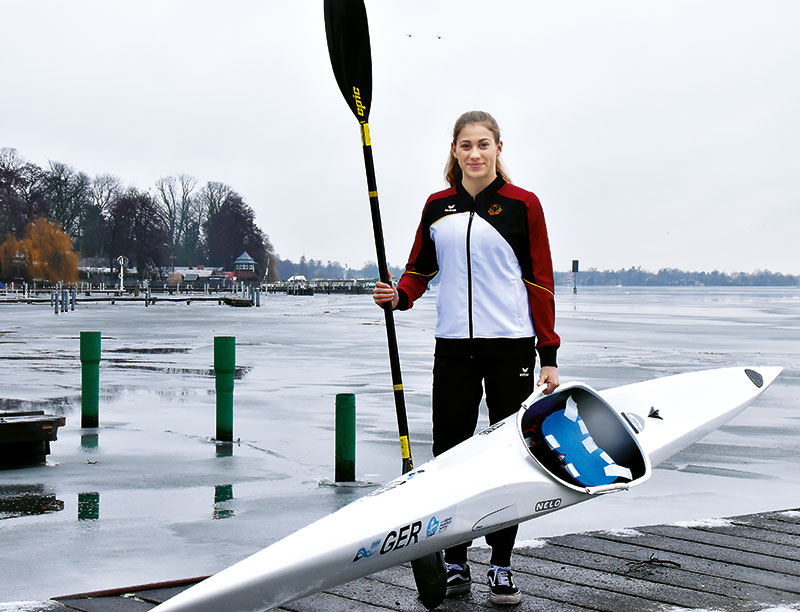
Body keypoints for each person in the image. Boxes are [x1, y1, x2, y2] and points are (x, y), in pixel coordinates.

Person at [373, 110, 560, 606]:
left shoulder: (524, 205)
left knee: (509, 456)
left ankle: (501, 563)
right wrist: (400, 296)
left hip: (511, 347)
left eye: (483, 144)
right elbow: (419, 269)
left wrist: (548, 352)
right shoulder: (438, 206)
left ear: (499, 147)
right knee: (450, 456)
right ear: (453, 151)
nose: (474, 154)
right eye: (465, 146)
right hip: (453, 346)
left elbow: (540, 281)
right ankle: (454, 559)